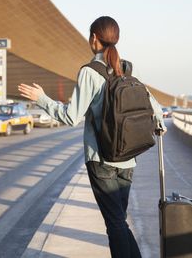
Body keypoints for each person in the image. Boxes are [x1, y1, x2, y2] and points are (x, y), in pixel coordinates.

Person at [18, 15, 166, 258]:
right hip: (128, 158)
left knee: (115, 224)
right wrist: (159, 123)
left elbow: (71, 116)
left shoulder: (90, 71)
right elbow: (152, 104)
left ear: (94, 38)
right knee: (118, 221)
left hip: (102, 159)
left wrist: (41, 99)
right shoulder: (128, 67)